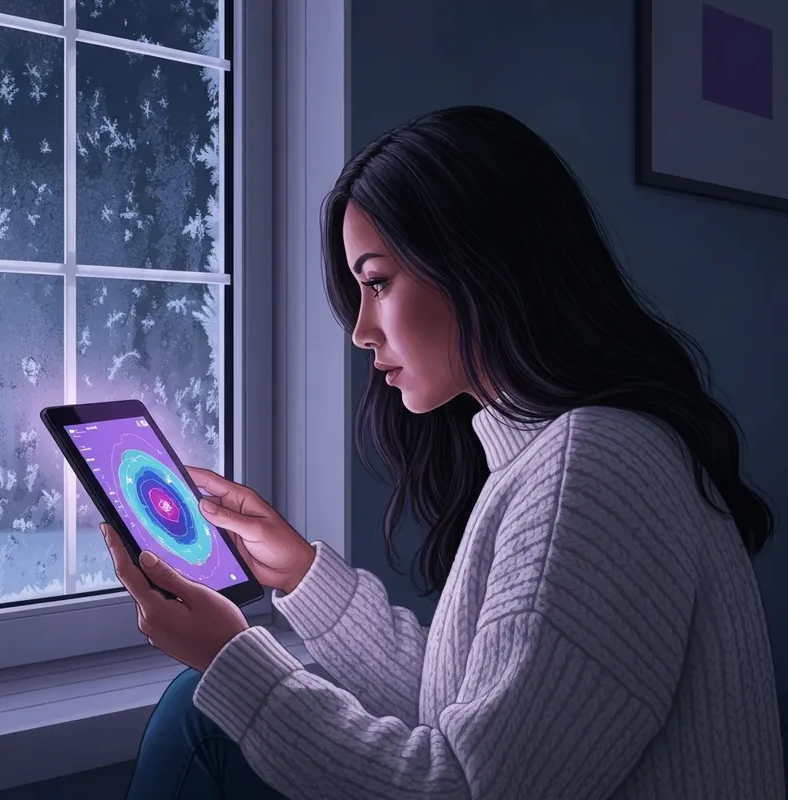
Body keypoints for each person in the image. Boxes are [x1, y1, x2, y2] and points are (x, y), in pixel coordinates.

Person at [109, 105, 784, 800]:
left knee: (197, 715)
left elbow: (469, 787)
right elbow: (478, 715)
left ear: (480, 265)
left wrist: (229, 660)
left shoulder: (596, 464)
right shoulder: (560, 453)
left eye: (376, 282)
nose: (361, 331)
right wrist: (304, 577)